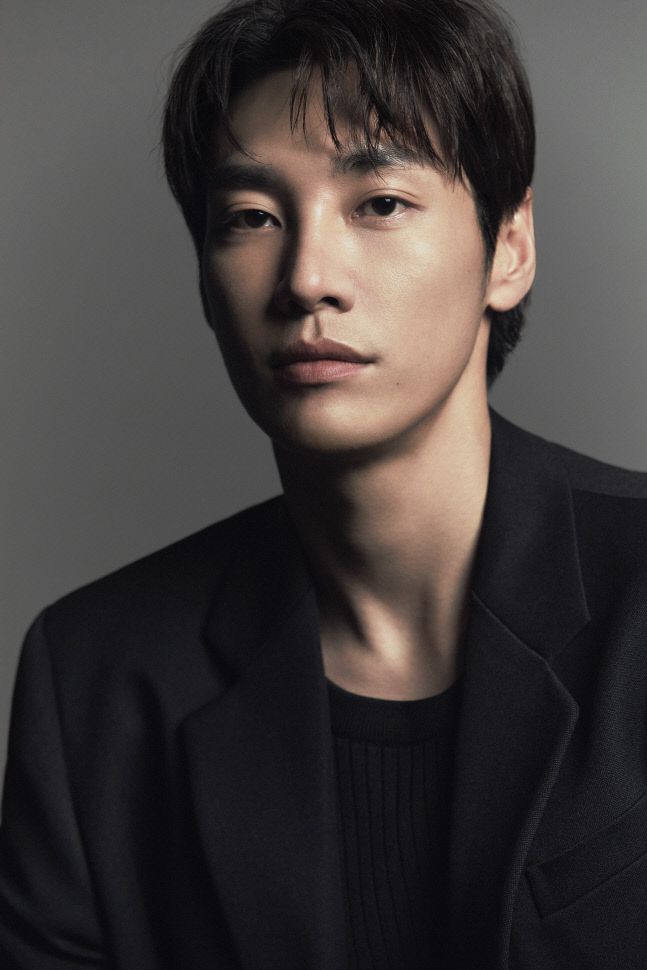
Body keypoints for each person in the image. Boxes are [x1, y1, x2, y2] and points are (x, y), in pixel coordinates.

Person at [1, 0, 646, 967]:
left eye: (378, 204)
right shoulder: (94, 677)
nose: (306, 278)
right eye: (250, 218)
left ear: (507, 248)